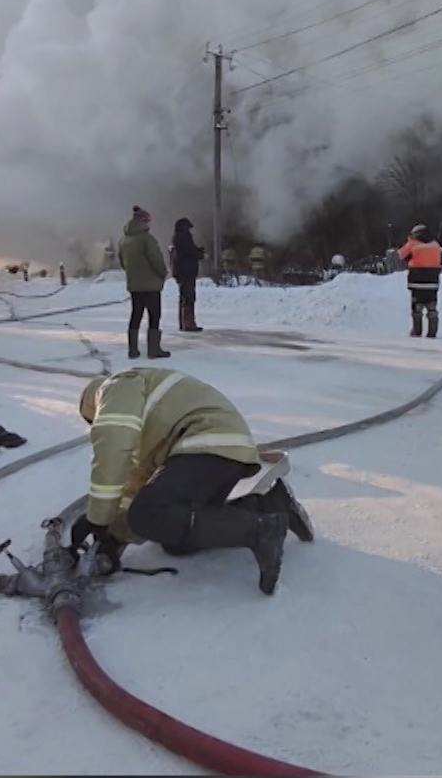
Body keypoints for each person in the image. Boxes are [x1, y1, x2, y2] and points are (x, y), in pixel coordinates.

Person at [69, 369, 309, 595]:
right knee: (173, 536)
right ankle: (268, 505)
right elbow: (135, 490)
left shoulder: (116, 388)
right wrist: (113, 537)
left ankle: (260, 531)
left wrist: (97, 518)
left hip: (207, 439)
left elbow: (111, 449)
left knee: (149, 514)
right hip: (223, 450)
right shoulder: (144, 426)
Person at [118, 206, 172, 359]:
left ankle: (133, 350)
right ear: (144, 221)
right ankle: (154, 349)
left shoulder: (123, 240)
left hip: (134, 284)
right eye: (148, 221)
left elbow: (122, 263)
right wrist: (163, 273)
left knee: (136, 315)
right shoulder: (147, 239)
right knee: (154, 315)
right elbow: (156, 259)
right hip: (151, 284)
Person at [397, 224, 442, 338]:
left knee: (417, 308)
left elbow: (401, 255)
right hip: (432, 282)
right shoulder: (435, 245)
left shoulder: (413, 243)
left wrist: (408, 241)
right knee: (432, 307)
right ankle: (432, 332)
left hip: (416, 281)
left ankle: (417, 331)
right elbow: (441, 261)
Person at [171, 217, 206, 333]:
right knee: (189, 297)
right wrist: (199, 254)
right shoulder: (185, 237)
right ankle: (189, 323)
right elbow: (189, 252)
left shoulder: (177, 238)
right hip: (187, 271)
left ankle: (183, 322)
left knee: (183, 297)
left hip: (181, 271)